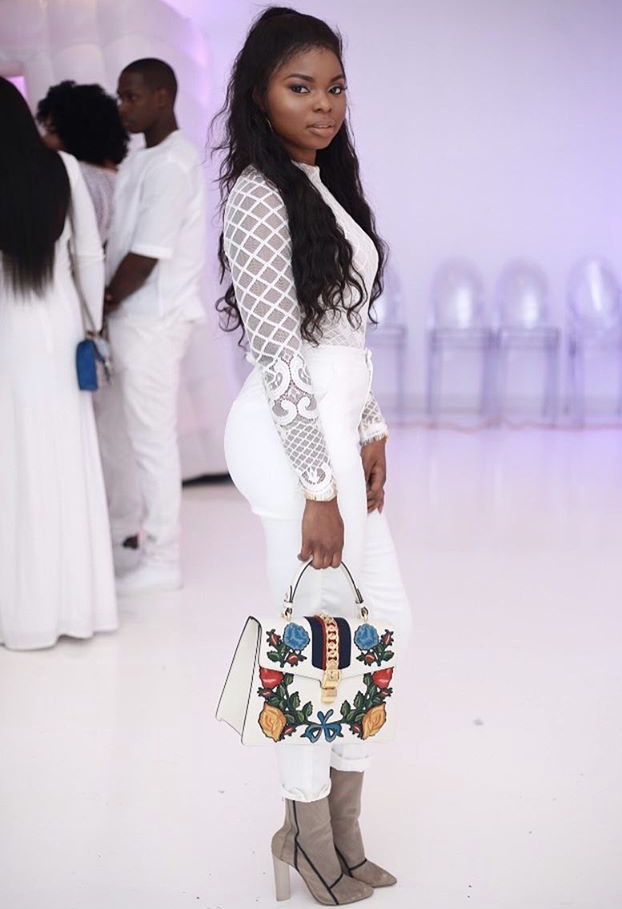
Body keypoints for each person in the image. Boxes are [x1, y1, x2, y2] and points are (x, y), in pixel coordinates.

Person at [215, 8, 412, 905]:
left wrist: (370, 424)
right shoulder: (257, 195)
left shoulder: (321, 185)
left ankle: (339, 827)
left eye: (335, 88)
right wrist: (318, 487)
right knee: (311, 647)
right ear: (260, 93)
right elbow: (279, 353)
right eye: (301, 87)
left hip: (334, 434)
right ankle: (306, 832)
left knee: (378, 626)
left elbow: (344, 334)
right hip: (290, 444)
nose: (324, 105)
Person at [0, 77, 118, 650]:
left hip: (8, 325)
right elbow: (88, 256)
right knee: (64, 457)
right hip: (57, 323)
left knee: (11, 461)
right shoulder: (64, 168)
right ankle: (74, 605)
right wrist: (91, 325)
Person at [103, 58, 206, 595]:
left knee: (150, 442)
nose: (122, 107)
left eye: (131, 96)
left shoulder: (173, 163)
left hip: (152, 322)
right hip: (131, 319)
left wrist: (101, 301)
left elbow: (145, 256)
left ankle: (163, 560)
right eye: (120, 97)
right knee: (120, 438)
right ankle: (126, 541)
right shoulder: (146, 158)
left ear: (163, 97)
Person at [36, 80, 129, 244]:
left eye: (52, 131)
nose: (44, 140)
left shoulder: (76, 178)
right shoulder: (124, 176)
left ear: (77, 133)